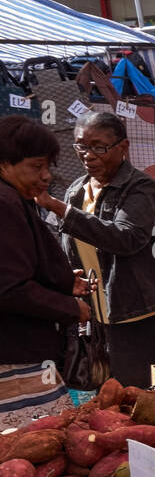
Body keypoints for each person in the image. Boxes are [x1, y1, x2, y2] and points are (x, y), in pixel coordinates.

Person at [37, 112, 155, 388]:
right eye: (81, 147)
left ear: (123, 147)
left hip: (148, 312)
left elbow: (127, 238)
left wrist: (61, 210)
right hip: (105, 320)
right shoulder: (76, 191)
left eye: (99, 147)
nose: (89, 155)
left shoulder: (138, 186)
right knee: (126, 401)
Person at [0, 116, 89, 428]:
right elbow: (9, 287)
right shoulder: (5, 203)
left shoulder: (14, 198)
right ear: (4, 164)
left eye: (48, 166)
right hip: (14, 352)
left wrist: (63, 281)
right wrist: (70, 308)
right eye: (36, 166)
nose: (46, 176)